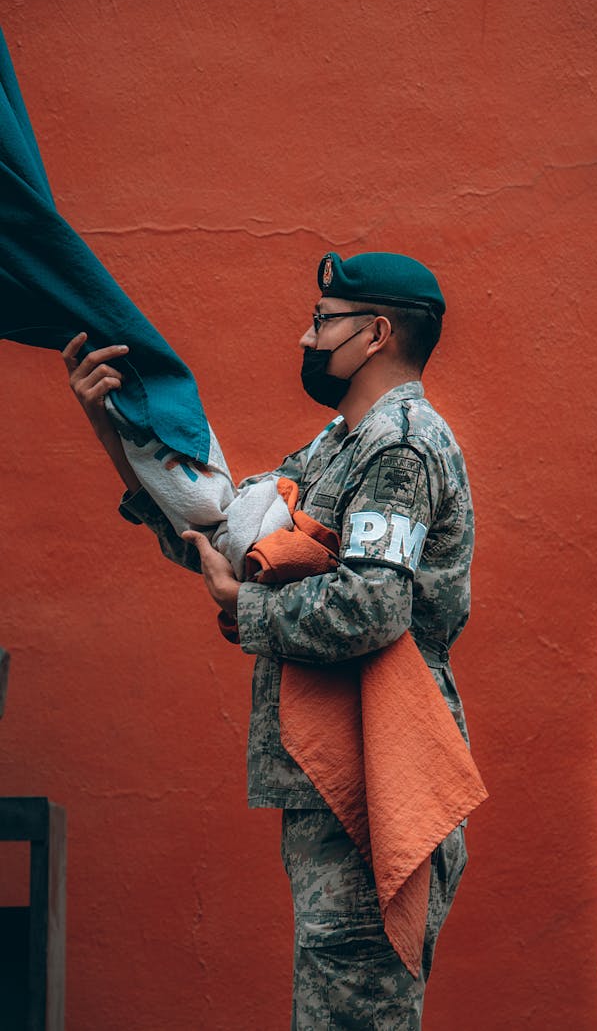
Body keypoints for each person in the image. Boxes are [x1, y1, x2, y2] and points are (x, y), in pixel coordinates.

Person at [65, 250, 476, 1029]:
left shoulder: (401, 445)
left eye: (323, 320)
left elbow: (372, 606)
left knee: (352, 1015)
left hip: (379, 764)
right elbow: (224, 538)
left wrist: (245, 611)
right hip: (337, 772)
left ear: (376, 333)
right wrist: (111, 427)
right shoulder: (335, 446)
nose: (306, 335)